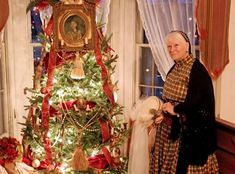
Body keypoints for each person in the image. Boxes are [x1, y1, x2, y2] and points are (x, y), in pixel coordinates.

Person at [149, 30, 219, 174]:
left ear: (187, 46)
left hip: (187, 135)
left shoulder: (197, 70)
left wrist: (176, 109)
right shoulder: (174, 68)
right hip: (168, 132)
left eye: (176, 45)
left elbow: (200, 103)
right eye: (169, 46)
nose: (172, 49)